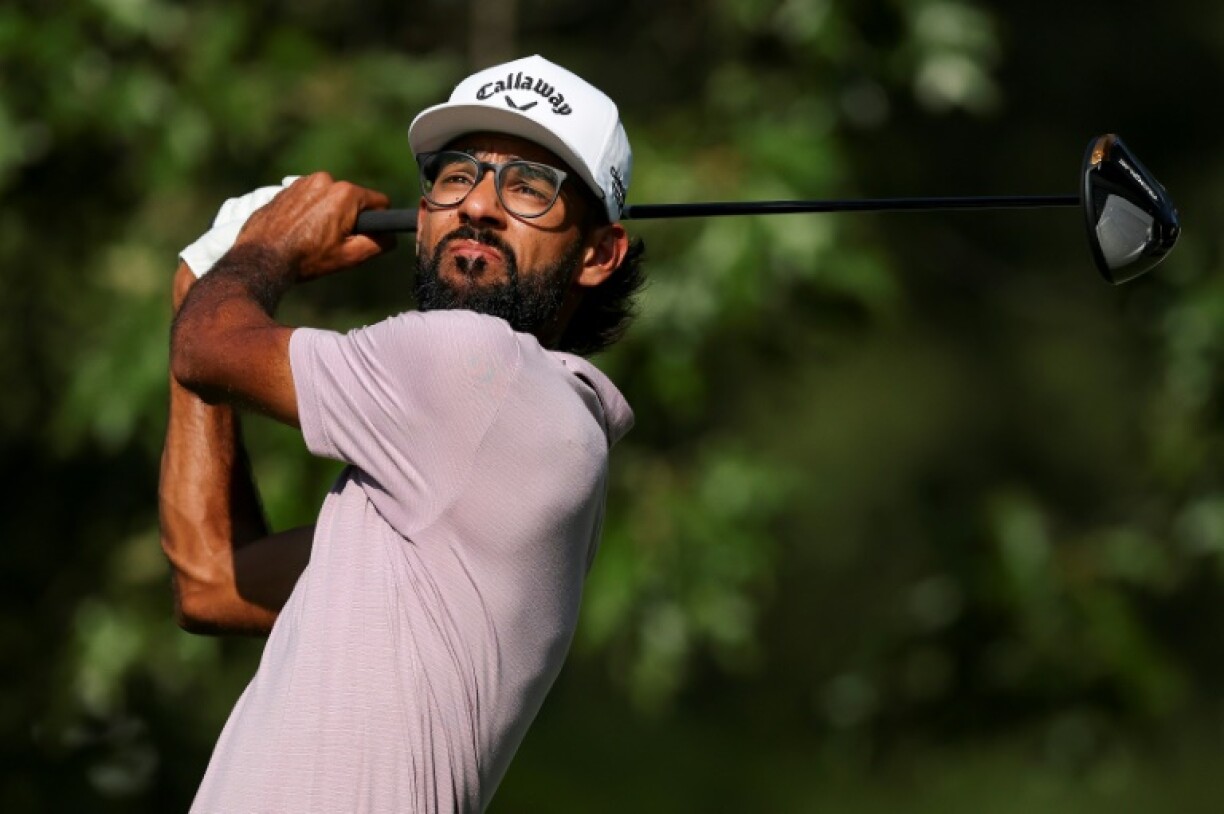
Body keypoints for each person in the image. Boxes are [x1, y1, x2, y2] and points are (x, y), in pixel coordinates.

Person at [159, 54, 645, 813]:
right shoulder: (462, 460)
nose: (479, 206)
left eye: (529, 187)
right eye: (456, 175)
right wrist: (199, 289)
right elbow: (213, 583)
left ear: (599, 254)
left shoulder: (480, 370)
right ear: (423, 214)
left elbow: (206, 350)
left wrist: (262, 250)